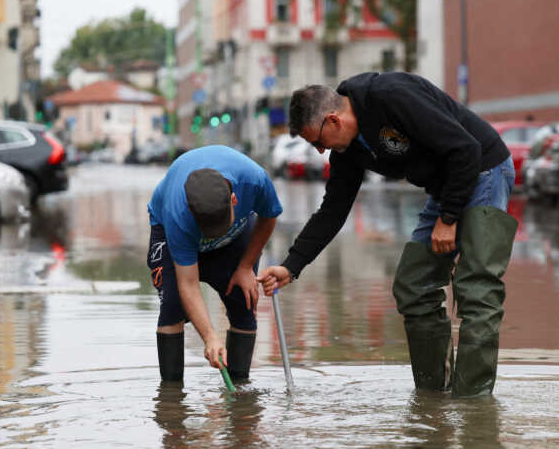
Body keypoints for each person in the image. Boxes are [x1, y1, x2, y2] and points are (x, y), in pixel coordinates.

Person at [257, 72, 518, 397]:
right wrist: (290, 266)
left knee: (477, 287)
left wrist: (448, 219)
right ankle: (433, 397)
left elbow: (466, 148)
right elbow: (333, 210)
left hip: (483, 169)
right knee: (413, 285)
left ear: (334, 120)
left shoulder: (392, 96)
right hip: (445, 187)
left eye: (318, 142)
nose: (322, 152)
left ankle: (472, 403)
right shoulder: (347, 151)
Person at [148, 145, 283, 382]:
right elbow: (188, 283)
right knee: (172, 305)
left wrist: (245, 267)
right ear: (190, 209)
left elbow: (269, 216)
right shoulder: (177, 213)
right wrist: (210, 336)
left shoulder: (254, 180)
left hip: (236, 237)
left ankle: (241, 393)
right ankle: (171, 402)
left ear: (234, 200)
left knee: (244, 299)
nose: (213, 237)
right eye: (209, 231)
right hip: (176, 234)